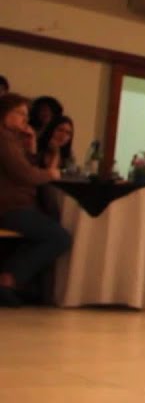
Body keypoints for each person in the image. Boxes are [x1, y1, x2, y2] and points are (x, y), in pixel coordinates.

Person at [0, 94, 71, 306]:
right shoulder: (3, 139)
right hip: (9, 207)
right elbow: (25, 175)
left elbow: (26, 168)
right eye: (20, 114)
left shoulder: (12, 139)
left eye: (26, 115)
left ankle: (11, 281)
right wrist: (50, 174)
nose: (25, 119)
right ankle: (8, 279)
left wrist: (31, 147)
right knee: (59, 237)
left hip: (18, 204)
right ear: (5, 114)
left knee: (48, 227)